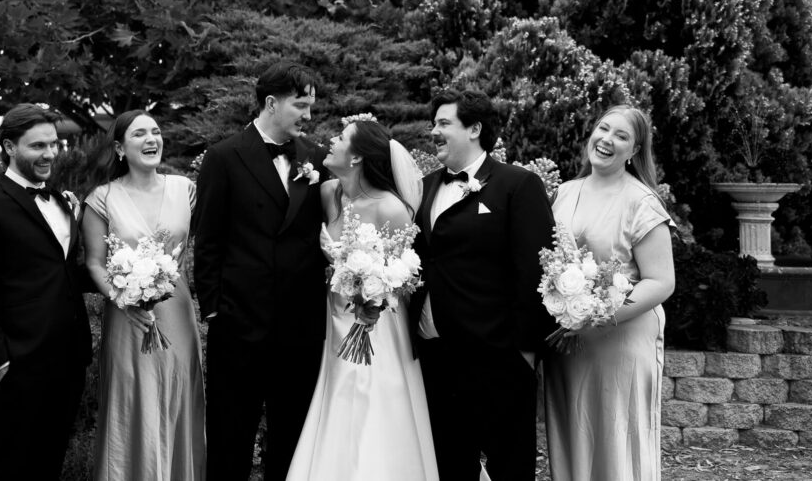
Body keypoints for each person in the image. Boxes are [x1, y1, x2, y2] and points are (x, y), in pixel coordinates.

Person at [192, 61, 329, 481]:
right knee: (230, 436)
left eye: (311, 106)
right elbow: (208, 240)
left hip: (301, 328)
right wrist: (214, 309)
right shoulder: (223, 157)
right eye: (300, 105)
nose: (308, 115)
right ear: (271, 103)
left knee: (292, 438)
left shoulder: (316, 158)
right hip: (239, 324)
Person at [410, 88, 554, 481]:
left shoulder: (517, 185)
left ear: (474, 129)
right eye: (433, 123)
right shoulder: (423, 187)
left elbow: (535, 270)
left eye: (444, 123)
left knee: (510, 467)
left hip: (497, 357)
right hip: (435, 355)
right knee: (450, 465)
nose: (434, 131)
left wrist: (526, 351)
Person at [286, 117, 439, 481]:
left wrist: (373, 302)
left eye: (340, 138)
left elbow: (404, 274)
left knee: (371, 399)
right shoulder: (328, 193)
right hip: (334, 320)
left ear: (356, 157)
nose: (331, 141)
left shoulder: (391, 208)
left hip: (376, 325)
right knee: (337, 399)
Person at [0, 103, 92, 480]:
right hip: (19, 364)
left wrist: (127, 280)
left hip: (69, 359)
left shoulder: (62, 202)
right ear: (10, 147)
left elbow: (62, 272)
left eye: (53, 144)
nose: (49, 153)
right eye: (37, 146)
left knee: (50, 462)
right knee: (9, 465)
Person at [543, 105, 674, 481]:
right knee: (573, 434)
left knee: (618, 438)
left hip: (620, 342)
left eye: (621, 136)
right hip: (568, 345)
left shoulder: (642, 202)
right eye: (603, 128)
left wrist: (599, 314)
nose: (607, 140)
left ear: (635, 151)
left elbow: (661, 281)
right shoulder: (564, 193)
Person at [82, 110, 206, 481]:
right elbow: (94, 263)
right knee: (132, 400)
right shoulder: (102, 197)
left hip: (177, 313)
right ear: (120, 148)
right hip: (127, 318)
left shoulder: (185, 189)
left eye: (156, 131)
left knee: (178, 395)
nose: (151, 139)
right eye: (139, 134)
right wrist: (122, 299)